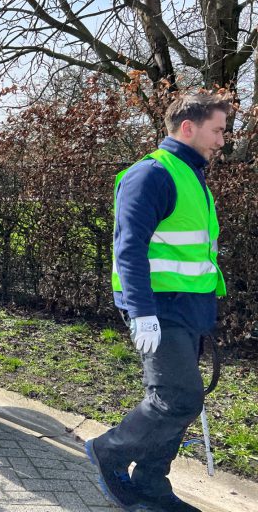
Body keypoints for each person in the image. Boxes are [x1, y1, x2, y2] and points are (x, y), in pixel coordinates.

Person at [85, 94, 230, 512]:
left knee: (184, 400)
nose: (222, 140)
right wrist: (141, 312)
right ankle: (108, 450)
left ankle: (150, 482)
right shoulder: (151, 175)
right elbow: (128, 250)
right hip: (160, 309)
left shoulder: (190, 175)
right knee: (177, 398)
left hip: (187, 309)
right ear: (189, 127)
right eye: (217, 130)